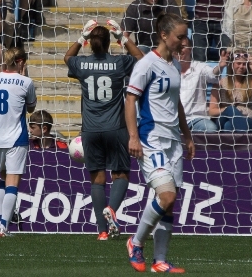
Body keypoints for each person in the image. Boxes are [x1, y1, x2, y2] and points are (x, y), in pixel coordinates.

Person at [125, 13, 195, 273]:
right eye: (180, 36)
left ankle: (160, 260)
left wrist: (187, 135)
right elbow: (130, 101)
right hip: (151, 138)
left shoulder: (174, 65)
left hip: (174, 140)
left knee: (170, 202)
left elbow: (176, 104)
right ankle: (135, 242)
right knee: (165, 195)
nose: (184, 41)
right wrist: (133, 136)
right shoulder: (146, 64)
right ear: (164, 35)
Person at [64, 20, 144, 240]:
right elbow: (141, 59)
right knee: (121, 174)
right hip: (115, 127)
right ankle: (112, 211)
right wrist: (123, 37)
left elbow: (67, 58)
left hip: (90, 130)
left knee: (97, 179)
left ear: (90, 44)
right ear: (110, 43)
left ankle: (102, 231)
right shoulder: (119, 62)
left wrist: (82, 36)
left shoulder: (81, 64)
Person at [0, 46, 37, 237]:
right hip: (16, 136)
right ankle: (3, 227)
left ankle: (2, 222)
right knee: (13, 183)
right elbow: (32, 108)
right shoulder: (26, 82)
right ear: (21, 62)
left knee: (3, 179)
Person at [176, 38, 228, 132]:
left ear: (190, 48)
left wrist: (220, 66)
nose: (180, 50)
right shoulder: (167, 69)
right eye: (177, 47)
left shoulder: (200, 67)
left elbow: (212, 75)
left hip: (195, 119)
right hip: (173, 119)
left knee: (211, 129)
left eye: (183, 47)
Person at [209, 51, 252, 131]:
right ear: (232, 64)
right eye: (238, 63)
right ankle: (245, 140)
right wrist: (230, 109)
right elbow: (211, 111)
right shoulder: (220, 83)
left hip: (247, 119)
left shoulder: (251, 82)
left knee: (228, 126)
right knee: (230, 110)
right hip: (224, 117)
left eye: (244, 64)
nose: (241, 66)